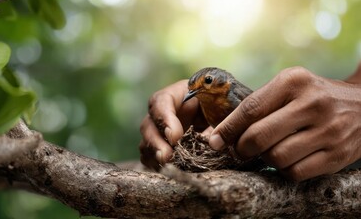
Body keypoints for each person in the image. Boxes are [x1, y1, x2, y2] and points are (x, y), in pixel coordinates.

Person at [139, 64, 361, 181]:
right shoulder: (206, 105)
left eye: (207, 81)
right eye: (194, 90)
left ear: (224, 81)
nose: (201, 90)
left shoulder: (232, 96)